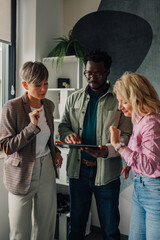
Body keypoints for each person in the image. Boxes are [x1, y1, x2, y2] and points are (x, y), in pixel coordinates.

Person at [58, 49, 132, 240]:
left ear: (107, 72)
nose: (92, 78)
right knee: (76, 227)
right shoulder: (74, 98)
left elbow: (126, 135)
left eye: (97, 73)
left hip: (106, 173)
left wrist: (106, 151)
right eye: (88, 73)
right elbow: (64, 125)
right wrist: (68, 135)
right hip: (78, 171)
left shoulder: (119, 100)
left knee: (110, 229)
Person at [0, 61, 63, 240]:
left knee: (46, 227)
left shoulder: (49, 106)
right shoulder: (11, 107)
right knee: (19, 231)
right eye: (38, 84)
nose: (43, 88)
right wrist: (31, 127)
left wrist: (55, 152)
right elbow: (6, 146)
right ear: (25, 85)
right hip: (21, 172)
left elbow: (48, 138)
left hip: (47, 168)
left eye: (46, 83)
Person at [110, 72, 160, 240]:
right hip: (141, 188)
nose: (120, 106)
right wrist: (130, 164)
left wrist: (118, 145)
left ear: (138, 98)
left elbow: (150, 165)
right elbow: (143, 154)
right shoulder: (139, 119)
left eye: (124, 101)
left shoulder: (151, 123)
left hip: (154, 191)